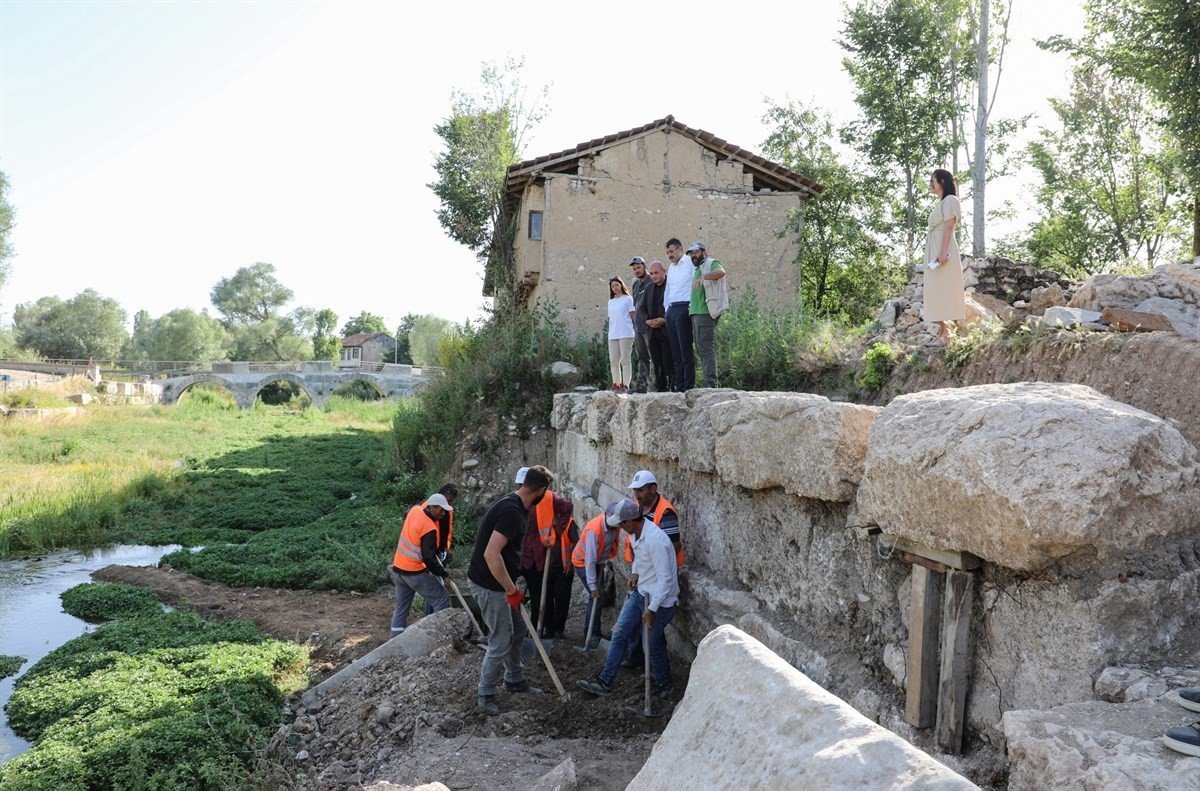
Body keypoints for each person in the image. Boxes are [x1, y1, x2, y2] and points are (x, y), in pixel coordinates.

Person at [468, 465, 554, 715]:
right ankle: (485, 694)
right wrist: (510, 589)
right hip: (489, 585)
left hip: (502, 583)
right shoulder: (511, 512)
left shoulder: (517, 506)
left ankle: (514, 680)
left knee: (518, 630)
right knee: (501, 640)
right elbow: (491, 554)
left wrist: (511, 586)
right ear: (540, 490)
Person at [578, 499, 679, 700]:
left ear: (631, 521)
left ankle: (664, 685)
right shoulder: (635, 534)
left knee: (650, 643)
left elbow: (666, 580)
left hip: (662, 600)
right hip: (642, 592)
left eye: (622, 524)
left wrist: (651, 610)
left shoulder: (656, 541)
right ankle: (605, 681)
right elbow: (640, 560)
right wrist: (635, 573)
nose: (620, 529)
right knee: (619, 633)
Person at [620, 469, 682, 668]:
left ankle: (657, 673)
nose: (637, 495)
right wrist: (638, 570)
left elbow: (672, 546)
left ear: (653, 489)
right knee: (639, 625)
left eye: (641, 490)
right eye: (635, 491)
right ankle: (637, 658)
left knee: (652, 634)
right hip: (643, 575)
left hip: (659, 579)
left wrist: (652, 572)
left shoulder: (665, 512)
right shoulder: (640, 509)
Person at [390, 493, 453, 635]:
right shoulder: (429, 527)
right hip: (414, 573)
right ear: (432, 507)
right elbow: (429, 559)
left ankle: (394, 640)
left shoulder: (415, 510)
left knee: (401, 608)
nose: (443, 514)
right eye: (441, 510)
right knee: (441, 600)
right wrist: (444, 575)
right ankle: (440, 637)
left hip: (398, 569)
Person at [570, 502, 622, 650]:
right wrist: (593, 587)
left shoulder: (615, 526)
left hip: (598, 561)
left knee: (598, 598)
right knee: (596, 596)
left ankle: (595, 632)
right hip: (582, 562)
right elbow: (590, 561)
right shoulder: (594, 530)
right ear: (607, 515)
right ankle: (590, 635)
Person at [923, 169, 966, 346]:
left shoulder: (950, 200)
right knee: (936, 290)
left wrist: (942, 252)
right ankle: (942, 331)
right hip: (934, 248)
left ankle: (948, 334)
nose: (930, 184)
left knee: (946, 288)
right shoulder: (940, 203)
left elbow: (948, 227)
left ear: (942, 181)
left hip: (944, 249)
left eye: (933, 180)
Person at [687, 241, 728, 389]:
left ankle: (711, 383)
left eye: (696, 252)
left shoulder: (711, 263)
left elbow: (721, 272)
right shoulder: (698, 268)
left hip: (705, 313)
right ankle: (708, 381)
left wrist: (705, 277)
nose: (693, 255)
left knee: (705, 347)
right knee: (701, 348)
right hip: (697, 313)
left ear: (704, 252)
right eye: (691, 253)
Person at [540, 494, 577, 639]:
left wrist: (570, 563)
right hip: (546, 568)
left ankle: (559, 629)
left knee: (562, 599)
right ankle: (548, 629)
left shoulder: (569, 523)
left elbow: (576, 543)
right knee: (547, 598)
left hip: (563, 568)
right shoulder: (543, 522)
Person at [663, 238, 695, 391]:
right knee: (675, 352)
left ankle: (688, 386)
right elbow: (668, 289)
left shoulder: (689, 263)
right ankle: (679, 385)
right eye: (668, 252)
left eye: (672, 251)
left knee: (685, 350)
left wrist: (691, 306)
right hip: (672, 309)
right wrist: (666, 310)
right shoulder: (671, 267)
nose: (670, 254)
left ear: (680, 249)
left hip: (684, 307)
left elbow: (696, 284)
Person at [422, 483, 458, 616]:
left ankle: (431, 616)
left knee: (438, 584)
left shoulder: (446, 509)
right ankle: (429, 617)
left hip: (440, 551)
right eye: (449, 500)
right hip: (431, 552)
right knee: (435, 586)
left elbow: (447, 530)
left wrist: (449, 548)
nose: (450, 504)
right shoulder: (427, 508)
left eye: (452, 501)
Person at [644, 261, 674, 393]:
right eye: (651, 273)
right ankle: (660, 388)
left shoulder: (671, 285)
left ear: (664, 271)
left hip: (667, 331)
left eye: (656, 273)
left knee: (669, 360)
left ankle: (673, 386)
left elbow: (673, 304)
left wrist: (663, 319)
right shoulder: (649, 288)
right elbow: (642, 308)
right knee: (657, 362)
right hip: (652, 331)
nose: (653, 276)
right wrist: (647, 321)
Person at [606, 276, 636, 391]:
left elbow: (633, 316)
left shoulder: (628, 299)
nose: (615, 288)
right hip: (613, 334)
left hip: (626, 333)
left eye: (616, 285)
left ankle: (626, 384)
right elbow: (611, 319)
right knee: (613, 361)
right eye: (612, 286)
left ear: (621, 285)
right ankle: (616, 383)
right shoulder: (610, 302)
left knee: (625, 360)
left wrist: (636, 330)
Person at [628, 257, 652, 393]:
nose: (637, 270)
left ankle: (661, 384)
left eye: (638, 267)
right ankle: (642, 386)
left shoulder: (652, 281)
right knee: (642, 357)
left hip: (650, 325)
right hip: (638, 326)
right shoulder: (636, 284)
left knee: (655, 356)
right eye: (634, 269)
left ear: (644, 266)